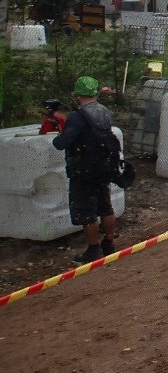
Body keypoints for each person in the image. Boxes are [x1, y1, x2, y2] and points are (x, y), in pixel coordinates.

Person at [52, 76, 119, 263]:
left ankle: (93, 250)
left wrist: (59, 134)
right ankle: (109, 243)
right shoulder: (104, 111)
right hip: (104, 167)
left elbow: (61, 143)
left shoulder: (77, 116)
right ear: (95, 92)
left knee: (87, 211)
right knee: (105, 207)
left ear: (78, 94)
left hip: (84, 170)